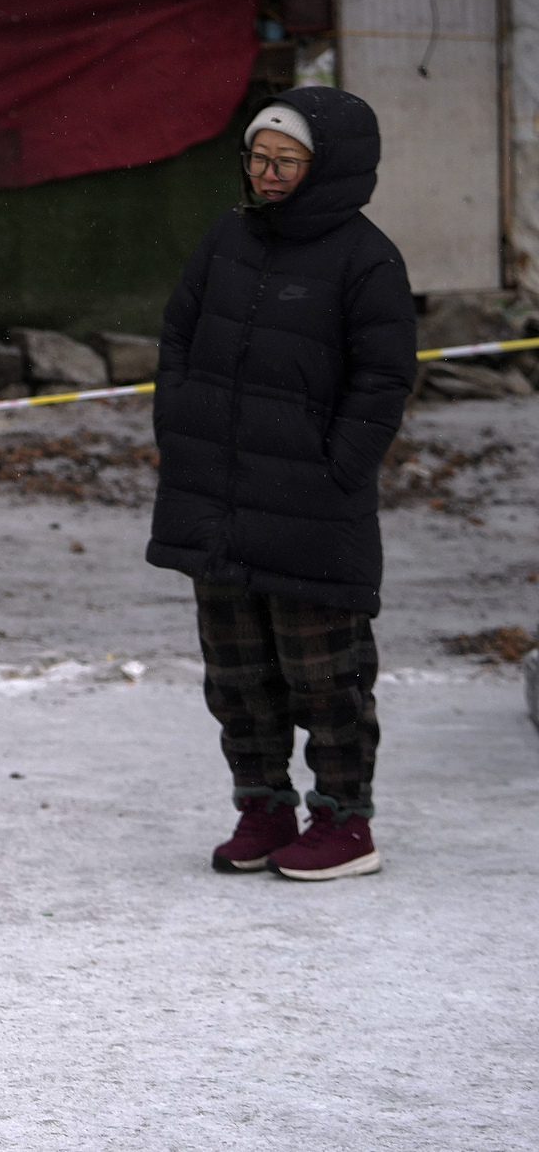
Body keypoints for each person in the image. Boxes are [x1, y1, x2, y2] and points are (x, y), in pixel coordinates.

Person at [148, 86, 414, 882]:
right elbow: (178, 339)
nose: (265, 175)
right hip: (218, 499)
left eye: (285, 163)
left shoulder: (368, 260)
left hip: (312, 508)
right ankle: (263, 804)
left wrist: (336, 470)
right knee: (237, 674)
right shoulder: (227, 238)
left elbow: (383, 380)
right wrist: (181, 433)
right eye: (258, 159)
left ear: (328, 168)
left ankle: (344, 818)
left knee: (326, 676)